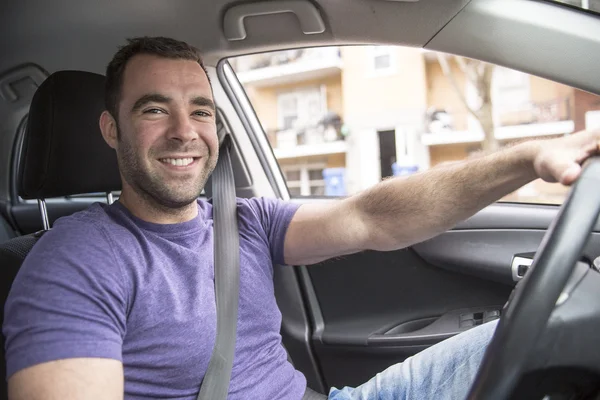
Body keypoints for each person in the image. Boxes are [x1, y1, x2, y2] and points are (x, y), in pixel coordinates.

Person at [3, 36, 599, 400]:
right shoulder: (74, 261)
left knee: (548, 337)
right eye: (155, 109)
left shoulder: (246, 222)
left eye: (201, 110)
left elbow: (374, 218)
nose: (185, 131)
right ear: (113, 130)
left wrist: (530, 159)